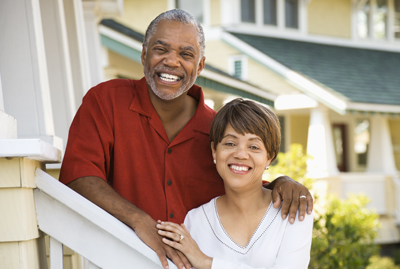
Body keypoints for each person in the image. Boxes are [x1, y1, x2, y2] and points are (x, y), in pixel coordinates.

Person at [59, 9, 313, 269]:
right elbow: (78, 174)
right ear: (144, 55)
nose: (171, 61)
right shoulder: (106, 101)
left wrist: (281, 183)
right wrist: (139, 220)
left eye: (185, 54)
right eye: (161, 49)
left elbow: (239, 177)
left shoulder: (218, 130)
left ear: (200, 65)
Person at [157, 98, 313, 269]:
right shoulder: (196, 221)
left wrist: (205, 262)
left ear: (270, 157)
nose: (240, 154)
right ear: (214, 151)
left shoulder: (293, 210)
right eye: (230, 143)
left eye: (253, 147)